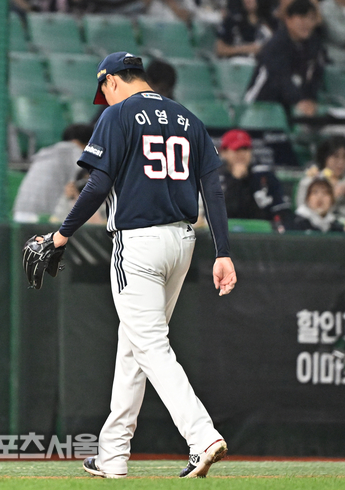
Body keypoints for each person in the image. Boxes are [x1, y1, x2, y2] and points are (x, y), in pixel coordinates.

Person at [43, 52, 236, 479]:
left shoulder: (117, 115)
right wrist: (222, 251)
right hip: (183, 242)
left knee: (149, 345)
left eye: (104, 90)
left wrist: (61, 235)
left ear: (112, 80)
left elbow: (98, 183)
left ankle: (202, 435)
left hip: (139, 243)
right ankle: (112, 454)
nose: (105, 98)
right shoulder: (188, 118)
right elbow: (213, 190)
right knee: (134, 345)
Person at [244, 0, 325, 117]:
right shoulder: (275, 45)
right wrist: (299, 101)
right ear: (288, 19)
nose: (307, 23)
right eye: (302, 18)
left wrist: (309, 101)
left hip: (289, 106)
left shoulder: (313, 46)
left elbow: (315, 77)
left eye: (311, 19)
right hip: (260, 104)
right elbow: (280, 79)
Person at [13, 124, 94, 223]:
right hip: (43, 218)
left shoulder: (47, 152)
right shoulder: (73, 151)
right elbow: (88, 178)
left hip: (20, 212)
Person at [218, 129, 292, 224]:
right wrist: (236, 180)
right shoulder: (215, 178)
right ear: (224, 153)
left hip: (261, 230)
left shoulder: (264, 175)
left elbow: (280, 209)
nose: (242, 154)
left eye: (245, 149)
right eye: (237, 149)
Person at [295, 138, 345, 229]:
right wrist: (332, 197)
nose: (341, 162)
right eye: (335, 157)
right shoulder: (311, 181)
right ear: (325, 158)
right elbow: (302, 213)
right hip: (316, 228)